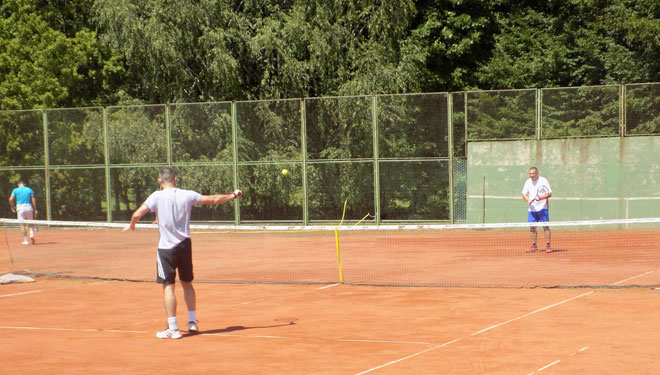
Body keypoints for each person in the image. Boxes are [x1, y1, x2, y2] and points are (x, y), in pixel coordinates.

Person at [123, 167, 242, 339]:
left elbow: (137, 214)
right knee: (187, 283)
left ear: (159, 181)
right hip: (185, 246)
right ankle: (192, 322)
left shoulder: (156, 196)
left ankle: (173, 328)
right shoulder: (187, 194)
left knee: (168, 286)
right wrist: (234, 195)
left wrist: (132, 226)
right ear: (175, 179)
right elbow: (215, 199)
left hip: (166, 250)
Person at [522, 167, 552, 253]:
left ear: (537, 173)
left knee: (546, 227)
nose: (531, 175)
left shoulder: (543, 181)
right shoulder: (528, 182)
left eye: (533, 173)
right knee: (532, 228)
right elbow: (524, 194)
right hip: (532, 209)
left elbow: (549, 194)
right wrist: (528, 199)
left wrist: (542, 197)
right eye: (530, 174)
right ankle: (534, 246)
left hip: (543, 208)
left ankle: (548, 245)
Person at [9, 180, 38, 245]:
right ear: (24, 184)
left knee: (22, 224)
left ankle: (26, 240)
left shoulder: (15, 190)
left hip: (20, 208)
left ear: (18, 185)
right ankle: (31, 234)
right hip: (29, 207)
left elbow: (10, 199)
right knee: (30, 222)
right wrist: (35, 209)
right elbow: (33, 199)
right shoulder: (29, 189)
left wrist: (13, 206)